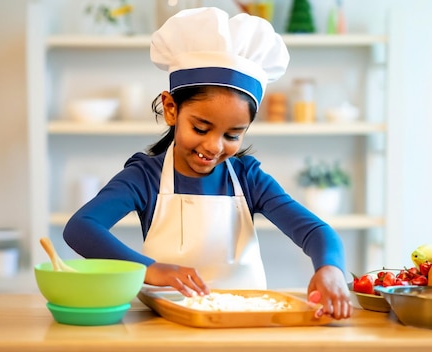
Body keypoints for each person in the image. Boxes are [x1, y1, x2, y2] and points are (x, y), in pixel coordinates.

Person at [63, 7, 352, 320]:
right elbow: (80, 228)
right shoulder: (145, 176)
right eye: (201, 128)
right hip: (168, 324)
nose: (214, 146)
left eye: (232, 134)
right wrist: (151, 270)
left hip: (243, 325)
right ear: (171, 108)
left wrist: (329, 268)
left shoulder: (249, 179)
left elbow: (315, 231)